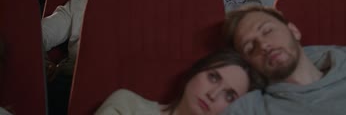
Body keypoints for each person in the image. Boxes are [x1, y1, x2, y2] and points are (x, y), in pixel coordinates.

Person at [221, 5, 346, 114]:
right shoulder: (248, 110)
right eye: (250, 47)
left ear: (293, 31)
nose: (263, 45)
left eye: (267, 31)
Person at [43, 0, 156, 115]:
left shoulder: (163, 6)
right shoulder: (81, 2)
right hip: (75, 84)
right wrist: (41, 63)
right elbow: (35, 35)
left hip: (139, 91)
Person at [95, 49, 264, 114]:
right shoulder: (127, 105)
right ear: (195, 72)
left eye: (229, 96)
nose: (213, 95)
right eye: (213, 77)